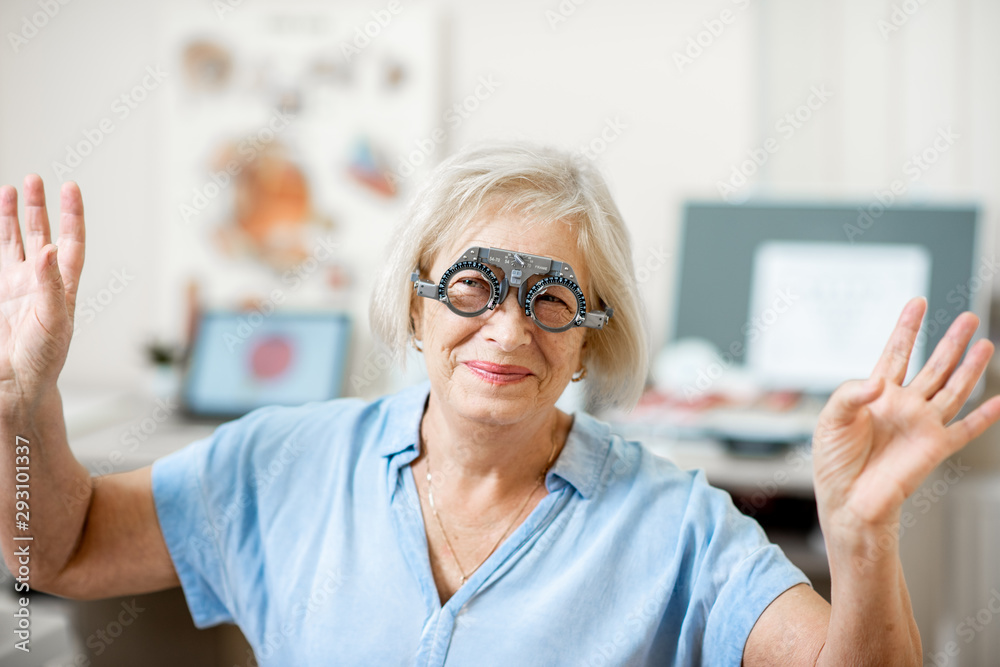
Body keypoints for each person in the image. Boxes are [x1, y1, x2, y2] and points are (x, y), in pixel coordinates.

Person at [1, 142, 997, 666]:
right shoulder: (280, 463)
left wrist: (862, 537)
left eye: (553, 298)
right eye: (474, 286)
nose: (510, 330)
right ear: (416, 302)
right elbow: (61, 543)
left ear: (586, 347)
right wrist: (20, 402)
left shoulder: (677, 524)